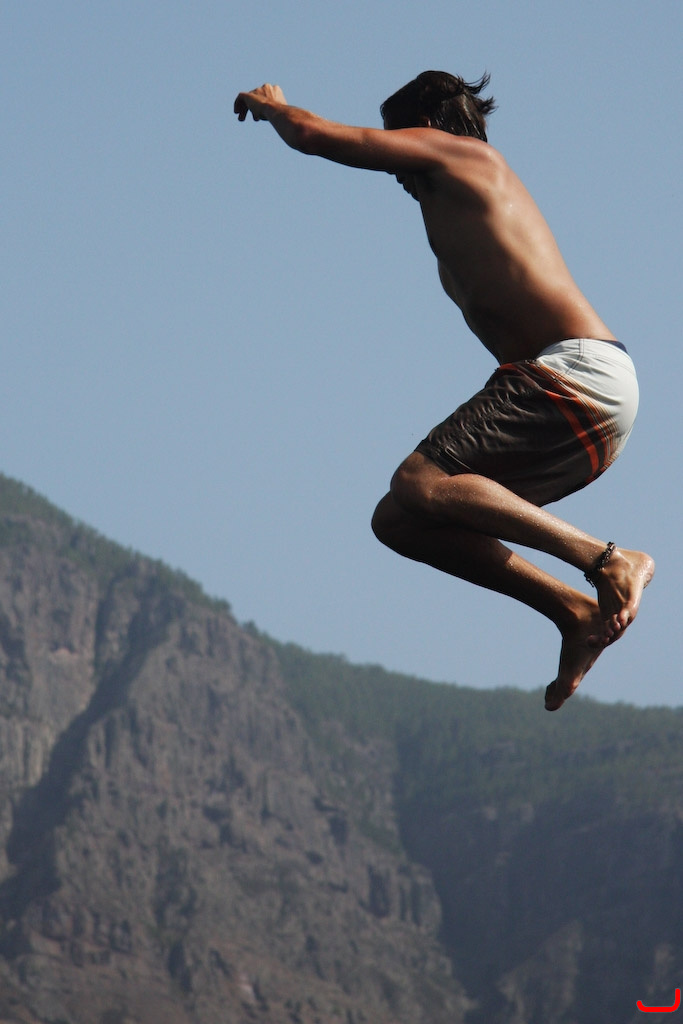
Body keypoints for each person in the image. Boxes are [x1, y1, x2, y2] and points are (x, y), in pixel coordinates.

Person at [234, 72, 654, 711]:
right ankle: (572, 613)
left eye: (396, 141)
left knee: (418, 480)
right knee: (400, 521)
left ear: (427, 126)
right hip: (587, 403)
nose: (395, 170)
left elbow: (315, 135)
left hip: (575, 374)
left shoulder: (464, 156)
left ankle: (607, 561)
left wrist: (274, 109)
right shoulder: (460, 198)